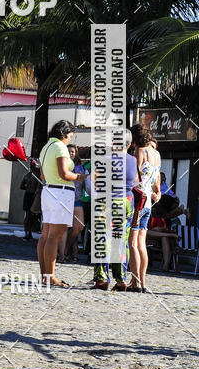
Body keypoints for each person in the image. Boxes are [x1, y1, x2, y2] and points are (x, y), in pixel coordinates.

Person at [37, 120, 85, 288]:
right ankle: (51, 277)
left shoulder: (46, 147)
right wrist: (81, 177)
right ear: (65, 134)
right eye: (70, 136)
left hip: (49, 190)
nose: (69, 140)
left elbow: (43, 175)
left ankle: (45, 275)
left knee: (46, 234)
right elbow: (64, 173)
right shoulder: (60, 148)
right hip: (61, 191)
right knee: (54, 236)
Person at [91, 128, 138, 291]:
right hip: (126, 200)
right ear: (130, 144)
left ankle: (102, 278)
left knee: (102, 238)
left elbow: (94, 179)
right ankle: (121, 279)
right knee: (121, 240)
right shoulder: (133, 160)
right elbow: (136, 181)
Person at [128, 124, 161, 292]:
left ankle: (135, 282)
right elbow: (156, 180)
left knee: (132, 242)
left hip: (137, 201)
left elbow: (134, 178)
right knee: (142, 243)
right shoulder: (156, 153)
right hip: (148, 201)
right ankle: (143, 281)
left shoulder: (140, 152)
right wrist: (158, 192)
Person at [62, 145, 86, 261]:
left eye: (72, 152)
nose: (71, 153)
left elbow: (86, 184)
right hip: (65, 199)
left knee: (78, 227)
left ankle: (67, 246)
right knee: (65, 227)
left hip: (77, 200)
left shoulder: (81, 167)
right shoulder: (62, 165)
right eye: (68, 151)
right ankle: (64, 253)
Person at [21, 158, 41, 240]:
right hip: (31, 196)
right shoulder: (34, 176)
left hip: (30, 195)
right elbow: (22, 186)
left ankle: (29, 232)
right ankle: (27, 233)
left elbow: (22, 186)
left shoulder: (28, 175)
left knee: (31, 215)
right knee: (30, 215)